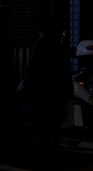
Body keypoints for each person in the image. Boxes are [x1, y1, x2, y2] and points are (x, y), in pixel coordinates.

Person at [24, 18, 72, 152]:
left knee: (40, 115)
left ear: (43, 32)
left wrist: (27, 76)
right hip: (59, 87)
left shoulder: (40, 45)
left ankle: (47, 141)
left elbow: (32, 65)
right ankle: (53, 137)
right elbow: (67, 70)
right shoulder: (61, 47)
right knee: (55, 116)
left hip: (42, 87)